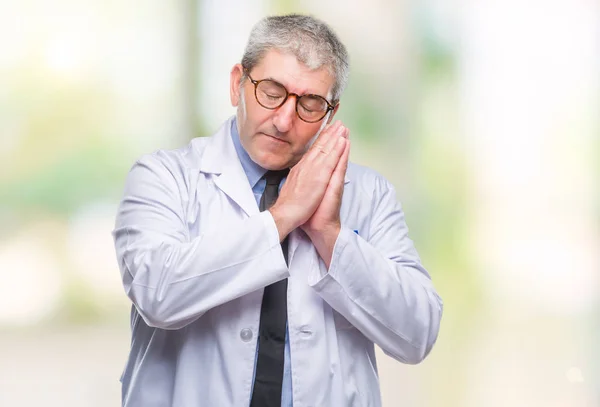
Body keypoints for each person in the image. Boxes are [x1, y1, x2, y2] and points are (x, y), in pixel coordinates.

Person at [113, 13, 442, 407]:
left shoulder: (369, 195)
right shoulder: (165, 176)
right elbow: (156, 293)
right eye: (271, 91)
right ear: (238, 84)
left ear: (330, 113)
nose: (285, 120)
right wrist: (283, 216)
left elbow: (417, 333)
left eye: (309, 104)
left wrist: (331, 237)